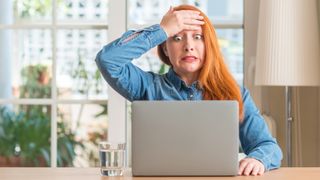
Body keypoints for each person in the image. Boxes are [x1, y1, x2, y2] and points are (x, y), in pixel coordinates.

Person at [95, 4, 282, 176]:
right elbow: (107, 60)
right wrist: (161, 30)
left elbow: (267, 146)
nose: (188, 46)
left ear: (208, 46)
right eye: (176, 38)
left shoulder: (234, 94)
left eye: (198, 37)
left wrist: (257, 159)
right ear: (166, 49)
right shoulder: (148, 87)